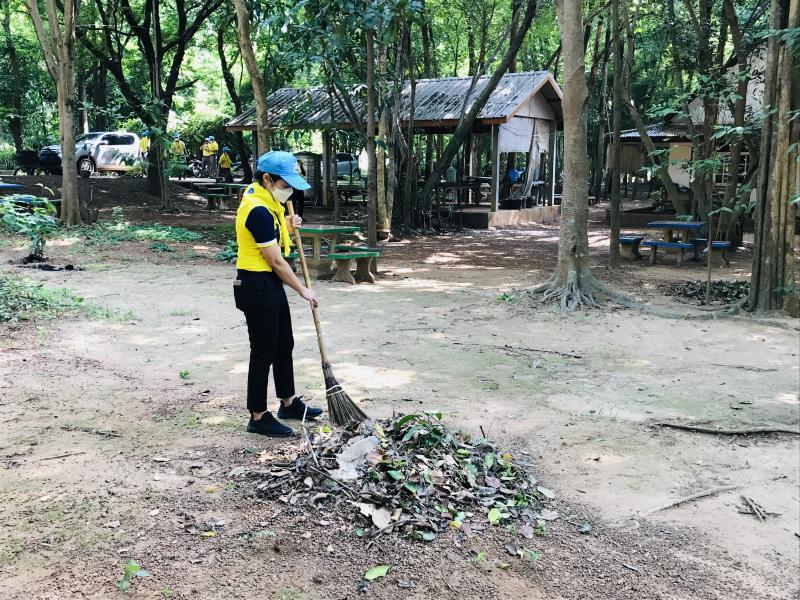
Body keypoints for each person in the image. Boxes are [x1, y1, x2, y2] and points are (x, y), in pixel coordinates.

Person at [233, 150, 322, 437]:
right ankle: (257, 416)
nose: (290, 190)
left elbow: (270, 234)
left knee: (284, 343)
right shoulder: (256, 209)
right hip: (256, 285)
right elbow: (275, 260)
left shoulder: (267, 201)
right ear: (268, 179)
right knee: (263, 350)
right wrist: (302, 290)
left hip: (269, 283)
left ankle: (288, 402)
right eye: (286, 184)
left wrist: (286, 224)